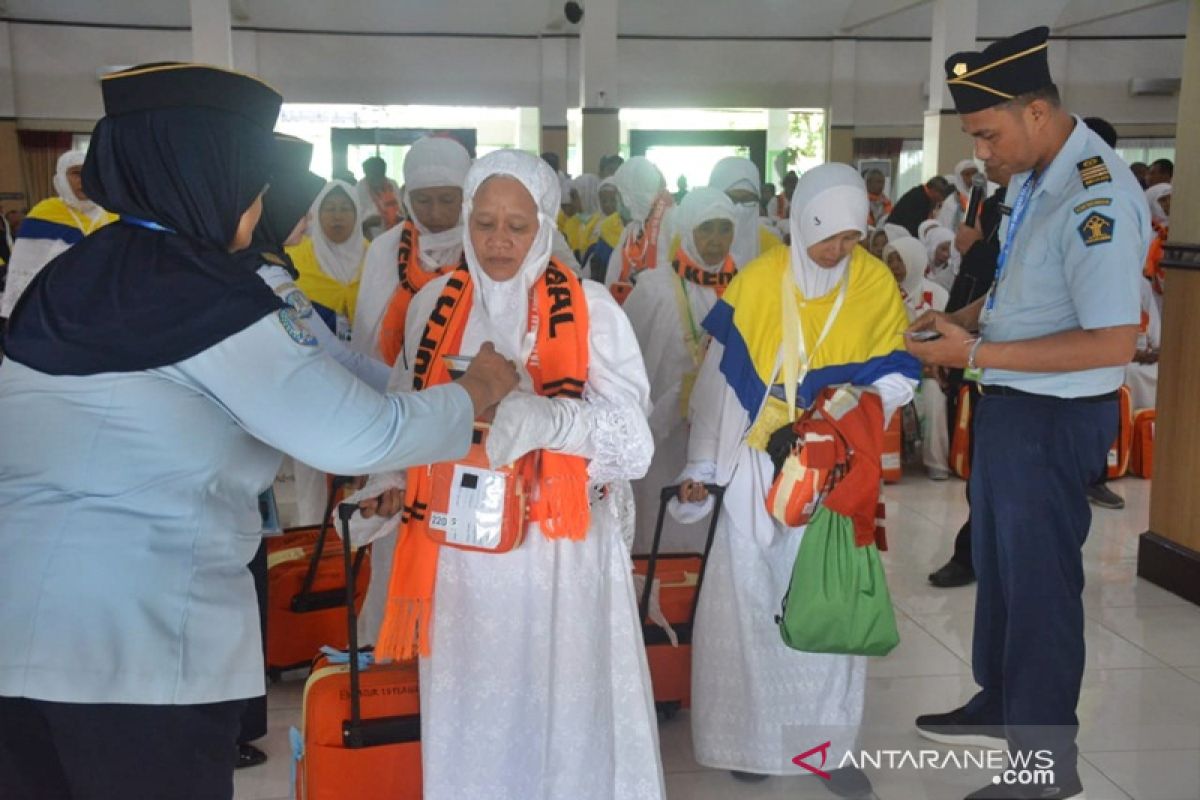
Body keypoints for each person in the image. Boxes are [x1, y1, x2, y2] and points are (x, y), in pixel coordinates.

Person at [0, 62, 517, 800]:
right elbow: (357, 433)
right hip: (137, 653)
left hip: (17, 636)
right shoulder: (206, 293)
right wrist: (476, 392)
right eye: (254, 183)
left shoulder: (73, 273)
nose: (265, 205)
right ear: (204, 178)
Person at [371, 149, 664, 799]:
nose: (499, 241)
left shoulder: (589, 309)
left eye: (517, 225)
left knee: (557, 705)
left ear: (546, 227)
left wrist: (550, 421)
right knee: (472, 705)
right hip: (457, 556)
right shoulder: (432, 305)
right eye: (485, 223)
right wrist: (388, 483)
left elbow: (635, 445)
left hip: (555, 553)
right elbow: (407, 412)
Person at [908, 28, 1149, 800]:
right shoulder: (1036, 178)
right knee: (1005, 572)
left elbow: (1112, 338)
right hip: (1013, 405)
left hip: (1053, 421)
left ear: (1038, 112)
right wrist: (964, 323)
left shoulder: (1096, 194)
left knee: (1042, 586)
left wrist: (972, 359)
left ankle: (1046, 768)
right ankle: (1003, 698)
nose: (981, 151)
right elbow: (1024, 297)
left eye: (988, 133)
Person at [671, 163, 919, 796]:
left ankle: (824, 749)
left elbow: (896, 378)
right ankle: (751, 742)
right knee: (751, 607)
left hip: (834, 472)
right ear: (802, 222)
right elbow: (721, 390)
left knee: (825, 606)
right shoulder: (758, 282)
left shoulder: (871, 283)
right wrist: (703, 468)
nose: (839, 251)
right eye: (827, 236)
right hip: (758, 469)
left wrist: (831, 419)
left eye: (851, 237)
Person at [624, 187, 737, 553]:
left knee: (714, 521)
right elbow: (630, 358)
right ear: (688, 229)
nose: (716, 241)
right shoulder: (654, 288)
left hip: (720, 431)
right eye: (707, 228)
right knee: (660, 507)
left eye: (725, 229)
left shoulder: (744, 288)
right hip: (663, 432)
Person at [927, 163, 1010, 590]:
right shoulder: (997, 205)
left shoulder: (1055, 207)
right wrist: (951, 327)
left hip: (1034, 368)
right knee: (987, 464)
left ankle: (998, 555)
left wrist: (978, 248)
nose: (985, 154)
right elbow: (982, 285)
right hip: (987, 356)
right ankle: (974, 552)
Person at [352, 136, 472, 366]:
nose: (435, 213)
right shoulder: (385, 250)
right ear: (407, 198)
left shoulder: (484, 247)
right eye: (423, 200)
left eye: (447, 200)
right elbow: (367, 341)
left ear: (466, 196)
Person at [0, 151, 117, 320]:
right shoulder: (44, 214)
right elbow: (23, 272)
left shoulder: (113, 215)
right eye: (76, 173)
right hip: (53, 312)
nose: (84, 179)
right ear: (62, 177)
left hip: (102, 311)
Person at [885, 236, 951, 479]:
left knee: (934, 395)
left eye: (899, 260)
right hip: (896, 367)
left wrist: (932, 364)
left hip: (932, 367)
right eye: (889, 260)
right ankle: (888, 464)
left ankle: (937, 464)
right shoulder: (884, 293)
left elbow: (947, 336)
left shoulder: (938, 295)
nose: (894, 266)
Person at [287, 180, 368, 342]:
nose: (337, 216)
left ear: (357, 214)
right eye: (329, 209)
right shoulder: (293, 258)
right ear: (317, 213)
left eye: (345, 209)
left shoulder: (377, 255)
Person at [602, 156, 673, 291]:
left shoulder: (672, 224)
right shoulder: (633, 229)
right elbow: (614, 273)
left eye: (620, 194)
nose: (619, 201)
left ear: (631, 195)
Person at [707, 156, 783, 268]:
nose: (739, 209)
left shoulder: (771, 244)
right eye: (731, 199)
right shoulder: (690, 241)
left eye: (747, 200)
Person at [886, 175, 954, 237]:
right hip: (896, 234)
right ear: (933, 190)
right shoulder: (919, 199)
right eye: (941, 194)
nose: (942, 199)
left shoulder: (921, 194)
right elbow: (917, 227)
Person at [355, 155, 403, 237]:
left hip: (395, 234)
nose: (375, 179)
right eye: (372, 175)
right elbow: (354, 223)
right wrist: (366, 223)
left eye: (379, 175)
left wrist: (400, 218)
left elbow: (400, 209)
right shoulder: (358, 189)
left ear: (384, 172)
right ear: (366, 173)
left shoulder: (392, 185)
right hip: (370, 237)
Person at [937, 159, 980, 231]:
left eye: (974, 173)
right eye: (967, 174)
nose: (972, 178)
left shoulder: (985, 196)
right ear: (959, 177)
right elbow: (946, 226)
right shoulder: (952, 201)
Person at [924, 223, 960, 292]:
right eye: (943, 249)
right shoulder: (919, 264)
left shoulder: (950, 273)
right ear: (933, 245)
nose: (946, 255)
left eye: (950, 251)